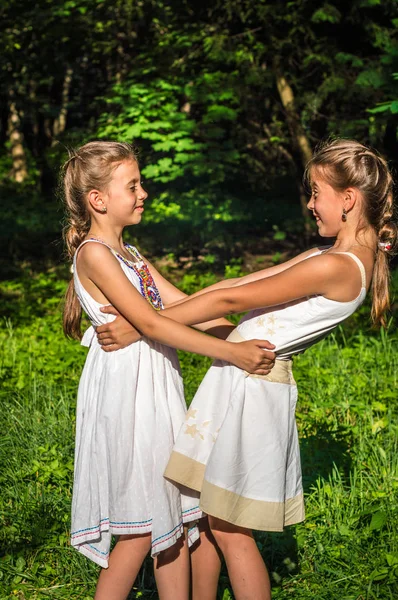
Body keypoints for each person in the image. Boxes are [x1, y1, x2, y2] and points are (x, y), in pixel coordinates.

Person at [96, 139, 397, 600]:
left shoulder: (341, 265)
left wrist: (142, 327)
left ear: (349, 199)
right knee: (210, 516)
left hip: (252, 391)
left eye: (316, 193)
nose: (311, 204)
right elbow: (234, 284)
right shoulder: (328, 256)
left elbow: (231, 301)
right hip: (234, 382)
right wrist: (159, 320)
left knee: (232, 529)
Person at [62, 140, 276, 600]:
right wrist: (235, 355)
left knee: (173, 518)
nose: (144, 193)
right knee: (140, 528)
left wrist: (236, 335)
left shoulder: (132, 255)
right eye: (133, 185)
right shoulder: (93, 254)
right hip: (127, 397)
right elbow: (153, 323)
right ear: (98, 199)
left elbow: (182, 304)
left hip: (155, 390)